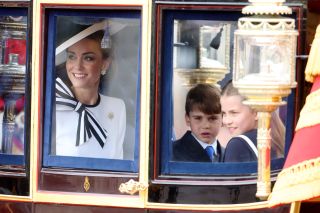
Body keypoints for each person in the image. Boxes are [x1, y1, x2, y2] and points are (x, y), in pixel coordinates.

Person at [54, 17, 126, 159]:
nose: (78, 66)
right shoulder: (54, 108)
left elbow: (118, 165)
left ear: (104, 64)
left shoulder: (117, 107)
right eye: (72, 56)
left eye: (88, 58)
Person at [221, 81, 285, 162]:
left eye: (234, 113)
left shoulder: (238, 145)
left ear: (257, 112)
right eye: (223, 113)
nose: (226, 121)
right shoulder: (279, 139)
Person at [172, 84, 224, 162]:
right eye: (198, 118)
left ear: (222, 118)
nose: (206, 126)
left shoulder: (229, 155)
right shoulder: (171, 152)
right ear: (188, 119)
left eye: (213, 118)